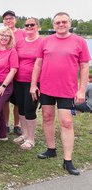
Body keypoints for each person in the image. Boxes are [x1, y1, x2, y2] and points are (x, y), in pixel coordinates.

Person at [30, 12, 90, 175]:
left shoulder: (79, 42)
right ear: (53, 24)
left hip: (67, 89)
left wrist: (82, 90)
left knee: (66, 122)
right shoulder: (46, 41)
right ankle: (51, 149)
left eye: (64, 22)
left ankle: (68, 160)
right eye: (58, 22)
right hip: (47, 88)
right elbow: (38, 64)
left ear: (70, 23)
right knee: (48, 118)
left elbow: (84, 67)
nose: (61, 24)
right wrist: (33, 85)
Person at [13, 18, 43, 150]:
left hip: (34, 82)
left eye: (32, 25)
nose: (29, 27)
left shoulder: (42, 42)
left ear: (38, 27)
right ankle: (24, 134)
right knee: (21, 107)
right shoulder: (19, 42)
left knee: (30, 109)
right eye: (27, 25)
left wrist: (34, 84)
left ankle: (31, 139)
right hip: (18, 80)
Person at [2, 10, 25, 135]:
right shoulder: (1, 33)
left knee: (17, 101)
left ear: (15, 20)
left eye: (11, 18)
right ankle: (5, 124)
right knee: (5, 100)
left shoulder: (22, 33)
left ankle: (17, 124)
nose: (8, 21)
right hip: (4, 72)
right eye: (6, 19)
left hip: (18, 72)